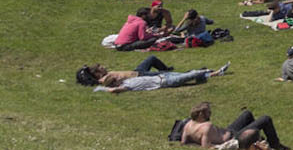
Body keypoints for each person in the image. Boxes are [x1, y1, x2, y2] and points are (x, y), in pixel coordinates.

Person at [178, 102, 287, 150]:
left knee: (247, 114)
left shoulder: (188, 125)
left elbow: (184, 142)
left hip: (229, 131)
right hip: (232, 138)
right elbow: (206, 146)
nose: (210, 114)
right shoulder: (206, 127)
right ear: (201, 115)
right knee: (265, 119)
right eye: (208, 112)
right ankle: (275, 144)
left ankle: (254, 139)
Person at [82, 60, 230, 92]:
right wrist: (102, 88)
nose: (104, 67)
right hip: (162, 81)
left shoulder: (125, 82)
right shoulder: (125, 84)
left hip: (155, 76)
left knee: (187, 75)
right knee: (190, 75)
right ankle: (210, 71)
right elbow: (111, 89)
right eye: (101, 68)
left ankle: (211, 73)